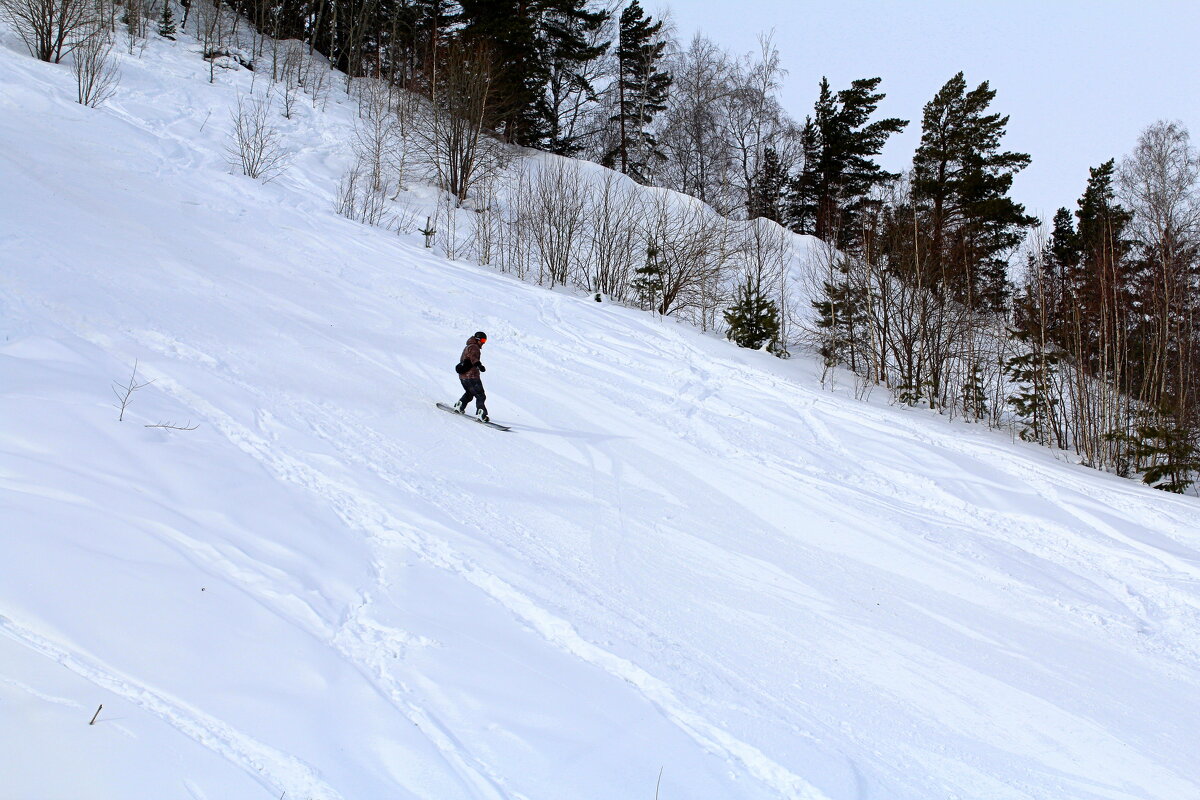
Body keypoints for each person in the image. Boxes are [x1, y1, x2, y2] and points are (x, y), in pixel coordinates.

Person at [453, 331, 489, 422]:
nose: (484, 342)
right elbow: (474, 358)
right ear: (477, 340)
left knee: (469, 394)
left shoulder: (467, 347)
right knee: (480, 395)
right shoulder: (474, 347)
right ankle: (481, 414)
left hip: (463, 377)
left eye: (485, 340)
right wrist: (479, 365)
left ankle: (459, 406)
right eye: (483, 340)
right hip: (472, 377)